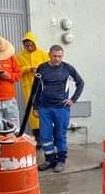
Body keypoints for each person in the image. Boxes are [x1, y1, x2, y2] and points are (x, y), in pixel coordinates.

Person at [35, 45, 84, 173]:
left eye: (59, 56)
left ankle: (61, 161)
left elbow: (80, 83)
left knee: (60, 135)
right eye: (54, 56)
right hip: (44, 108)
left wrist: (73, 99)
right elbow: (35, 88)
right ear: (49, 55)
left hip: (61, 109)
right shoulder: (42, 68)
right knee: (45, 136)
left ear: (62, 56)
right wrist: (35, 106)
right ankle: (50, 160)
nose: (57, 59)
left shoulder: (68, 68)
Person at [17, 31, 50, 142]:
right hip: (29, 87)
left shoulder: (43, 54)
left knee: (45, 109)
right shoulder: (20, 56)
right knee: (32, 112)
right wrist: (28, 68)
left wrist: (40, 70)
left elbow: (50, 68)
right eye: (27, 45)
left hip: (43, 86)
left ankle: (47, 137)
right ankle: (38, 139)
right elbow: (17, 72)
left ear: (35, 43)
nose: (29, 47)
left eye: (31, 45)